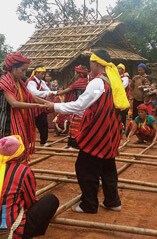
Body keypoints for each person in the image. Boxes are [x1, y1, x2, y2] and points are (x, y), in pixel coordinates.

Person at [46, 50, 124, 214]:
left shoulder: (98, 84)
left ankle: (89, 204)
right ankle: (112, 201)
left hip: (98, 132)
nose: (90, 67)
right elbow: (91, 105)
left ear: (96, 63)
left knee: (85, 167)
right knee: (107, 167)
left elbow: (82, 103)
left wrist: (56, 107)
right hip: (110, 131)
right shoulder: (110, 81)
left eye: (90, 64)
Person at [0, 135, 59, 238]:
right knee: (51, 200)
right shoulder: (24, 171)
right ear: (20, 153)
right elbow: (29, 202)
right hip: (13, 231)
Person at [0, 52, 46, 163]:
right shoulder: (5, 83)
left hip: (16, 122)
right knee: (7, 157)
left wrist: (48, 104)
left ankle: (15, 176)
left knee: (17, 153)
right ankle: (9, 177)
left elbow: (31, 97)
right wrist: (38, 106)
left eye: (26, 70)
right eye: (22, 70)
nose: (24, 73)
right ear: (13, 68)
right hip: (5, 124)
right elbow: (14, 103)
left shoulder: (18, 82)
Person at [57, 65, 89, 148]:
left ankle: (75, 144)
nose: (74, 74)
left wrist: (56, 93)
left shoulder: (79, 82)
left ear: (79, 74)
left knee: (75, 125)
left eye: (75, 73)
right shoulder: (88, 82)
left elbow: (67, 90)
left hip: (79, 106)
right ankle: (83, 143)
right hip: (86, 106)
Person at [26, 65, 56, 146]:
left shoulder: (42, 82)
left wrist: (53, 93)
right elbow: (34, 92)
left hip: (40, 106)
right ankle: (28, 142)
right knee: (30, 125)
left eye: (44, 73)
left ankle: (43, 141)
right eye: (41, 73)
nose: (43, 75)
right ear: (36, 73)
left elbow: (47, 90)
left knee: (43, 124)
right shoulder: (31, 82)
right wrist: (48, 93)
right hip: (31, 106)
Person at [117, 63, 130, 133]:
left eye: (120, 68)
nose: (118, 70)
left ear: (123, 70)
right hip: (116, 98)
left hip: (122, 98)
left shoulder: (125, 78)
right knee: (117, 113)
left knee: (123, 114)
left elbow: (123, 86)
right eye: (117, 68)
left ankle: (123, 128)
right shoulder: (116, 77)